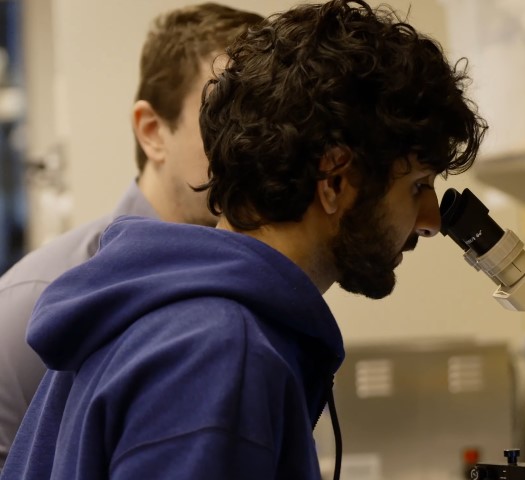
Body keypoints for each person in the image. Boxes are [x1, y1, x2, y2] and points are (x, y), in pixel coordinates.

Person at [1, 0, 488, 479]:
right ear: (335, 180)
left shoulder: (168, 312)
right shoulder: (218, 356)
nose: (430, 220)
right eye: (418, 185)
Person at [0, 3, 265, 469]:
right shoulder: (33, 302)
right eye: (224, 118)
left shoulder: (257, 284)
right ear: (152, 132)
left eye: (265, 123)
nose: (251, 146)